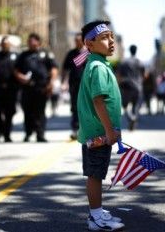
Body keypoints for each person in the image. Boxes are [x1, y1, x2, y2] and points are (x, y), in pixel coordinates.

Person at [77, 20, 124, 231]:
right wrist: (108, 130)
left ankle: (97, 211)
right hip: (98, 132)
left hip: (100, 130)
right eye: (104, 38)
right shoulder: (97, 67)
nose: (111, 41)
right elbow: (98, 101)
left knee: (97, 172)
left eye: (111, 36)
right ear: (89, 44)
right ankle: (95, 217)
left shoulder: (99, 64)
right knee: (95, 175)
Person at [15, 33, 58, 143]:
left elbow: (54, 68)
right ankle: (28, 133)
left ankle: (40, 134)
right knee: (27, 112)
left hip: (42, 88)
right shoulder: (23, 55)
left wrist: (51, 83)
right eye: (29, 41)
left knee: (40, 112)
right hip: (27, 88)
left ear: (38, 42)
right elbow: (16, 70)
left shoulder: (45, 53)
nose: (30, 43)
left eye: (32, 41)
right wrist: (21, 78)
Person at [0, 36, 19, 143]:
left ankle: (7, 134)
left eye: (7, 44)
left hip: (11, 90)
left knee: (9, 113)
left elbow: (20, 71)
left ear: (10, 45)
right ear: (0, 45)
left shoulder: (15, 57)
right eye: (3, 44)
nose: (5, 46)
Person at [62, 33, 87, 140]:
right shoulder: (71, 53)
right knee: (75, 107)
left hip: (86, 86)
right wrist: (64, 82)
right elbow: (65, 68)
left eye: (79, 40)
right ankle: (75, 129)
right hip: (74, 85)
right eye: (75, 40)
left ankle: (85, 129)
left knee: (85, 107)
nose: (77, 42)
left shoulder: (89, 53)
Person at [117, 45, 145, 130]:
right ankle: (133, 119)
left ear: (129, 50)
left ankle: (131, 118)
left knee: (124, 105)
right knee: (135, 105)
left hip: (126, 86)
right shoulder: (140, 62)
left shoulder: (124, 62)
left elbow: (119, 74)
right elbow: (143, 75)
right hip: (137, 86)